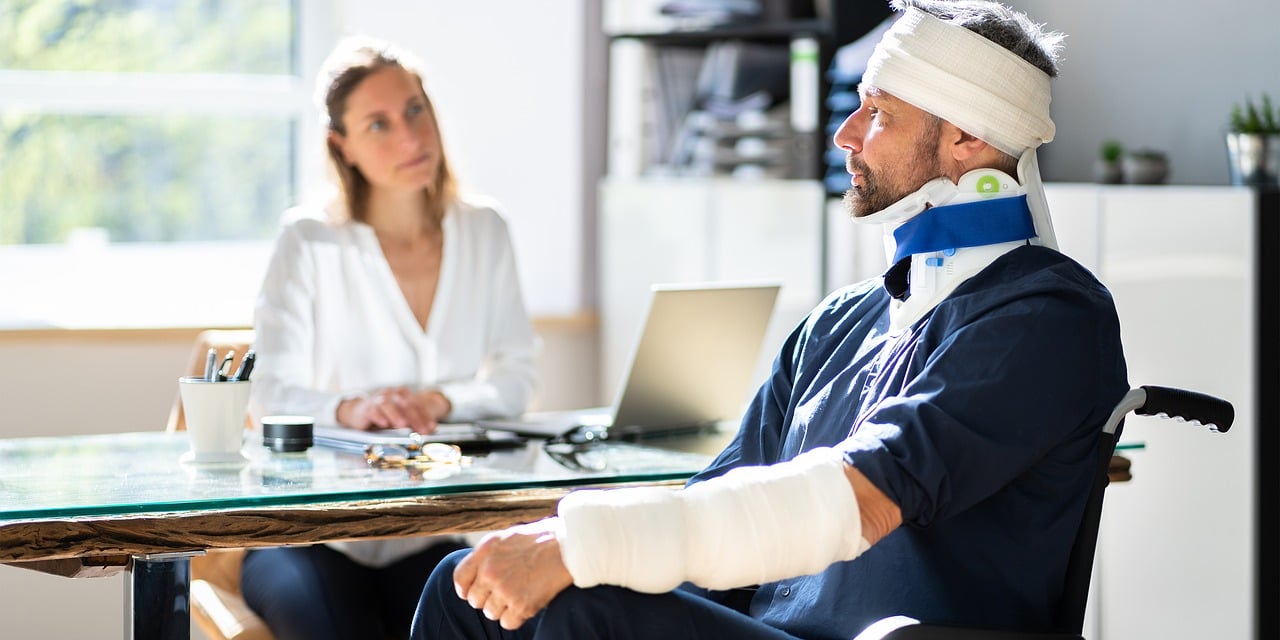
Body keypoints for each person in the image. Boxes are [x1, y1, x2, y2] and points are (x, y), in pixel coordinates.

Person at [411, 0, 1129, 638]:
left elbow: (862, 499)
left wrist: (586, 547)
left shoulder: (1047, 318)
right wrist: (565, 553)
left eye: (878, 113)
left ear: (970, 142)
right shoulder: (839, 323)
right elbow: (720, 507)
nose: (846, 134)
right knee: (468, 585)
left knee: (581, 605)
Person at [242, 36, 538, 640]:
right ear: (341, 147)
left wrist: (440, 403)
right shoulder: (309, 240)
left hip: (429, 528)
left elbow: (516, 378)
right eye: (379, 124)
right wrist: (353, 408)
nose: (410, 137)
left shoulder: (485, 231)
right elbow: (267, 392)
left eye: (415, 109)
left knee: (496, 622)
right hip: (310, 534)